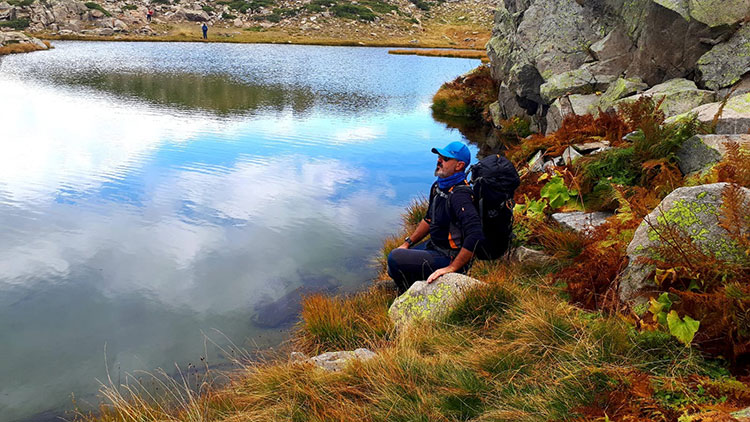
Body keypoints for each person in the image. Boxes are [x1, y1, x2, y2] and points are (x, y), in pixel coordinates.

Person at [387, 141, 484, 294]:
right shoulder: (438, 186)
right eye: (439, 157)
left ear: (459, 166)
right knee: (394, 262)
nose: (439, 161)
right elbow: (428, 219)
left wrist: (451, 268)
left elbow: (476, 234)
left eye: (445, 159)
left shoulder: (460, 195)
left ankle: (409, 291)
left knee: (394, 258)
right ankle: (410, 282)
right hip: (435, 246)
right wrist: (408, 243)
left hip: (450, 256)